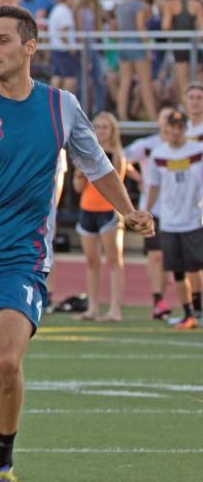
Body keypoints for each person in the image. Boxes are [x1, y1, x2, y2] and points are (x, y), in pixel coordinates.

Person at [0, 5, 153, 482]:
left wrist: (128, 210)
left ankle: (2, 463)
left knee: (5, 361)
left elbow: (97, 166)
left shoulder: (61, 106)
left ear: (30, 46)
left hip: (22, 260)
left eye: (2, 40)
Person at [144, 109, 203, 329]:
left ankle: (199, 310)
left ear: (185, 129)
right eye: (172, 128)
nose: (176, 132)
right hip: (169, 221)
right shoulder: (159, 154)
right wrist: (146, 211)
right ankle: (188, 313)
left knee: (195, 267)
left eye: (179, 128)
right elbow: (154, 186)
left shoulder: (198, 151)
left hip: (193, 218)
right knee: (177, 270)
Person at [72, 112, 127, 322]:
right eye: (99, 127)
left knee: (113, 261)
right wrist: (80, 173)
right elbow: (78, 188)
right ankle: (93, 308)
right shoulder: (85, 153)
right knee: (91, 262)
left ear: (112, 131)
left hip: (108, 211)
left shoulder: (116, 155)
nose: (102, 131)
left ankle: (115, 309)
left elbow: (115, 184)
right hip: (87, 210)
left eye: (106, 127)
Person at [125, 106, 176, 319]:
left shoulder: (187, 146)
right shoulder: (148, 145)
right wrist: (139, 179)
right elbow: (121, 158)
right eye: (165, 118)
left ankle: (168, 299)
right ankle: (158, 300)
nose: (169, 123)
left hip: (178, 209)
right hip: (153, 208)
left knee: (170, 258)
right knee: (156, 255)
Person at [47, 0, 79, 91]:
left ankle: (53, 100)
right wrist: (70, 48)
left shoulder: (56, 10)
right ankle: (66, 100)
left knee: (57, 76)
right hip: (65, 51)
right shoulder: (64, 11)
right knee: (70, 78)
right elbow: (63, 32)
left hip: (57, 49)